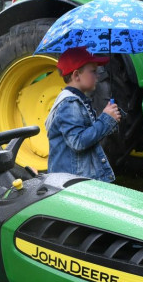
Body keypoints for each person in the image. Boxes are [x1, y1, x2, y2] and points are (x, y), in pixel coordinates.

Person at [45, 47, 122, 182]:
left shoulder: (77, 100)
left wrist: (110, 119)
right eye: (93, 71)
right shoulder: (70, 103)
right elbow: (78, 141)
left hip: (71, 179)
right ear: (76, 75)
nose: (97, 75)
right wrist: (105, 120)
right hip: (70, 182)